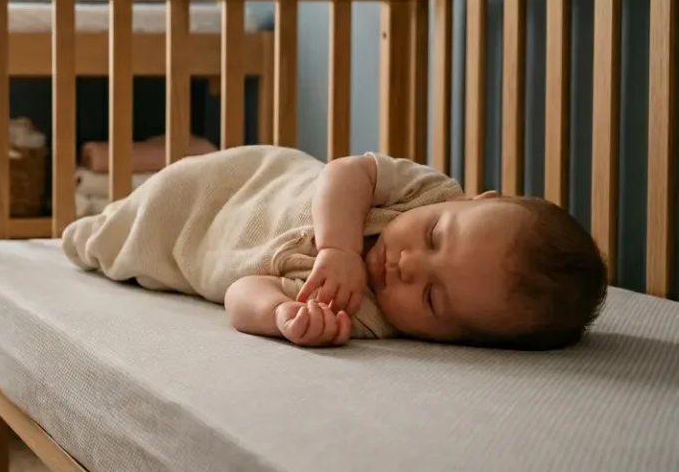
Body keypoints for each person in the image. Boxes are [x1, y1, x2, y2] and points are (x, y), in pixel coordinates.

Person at [60, 146, 607, 350]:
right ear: (472, 199)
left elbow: (241, 291)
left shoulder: (361, 315)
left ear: (455, 340)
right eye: (436, 234)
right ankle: (90, 226)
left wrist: (279, 314)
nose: (409, 264)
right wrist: (341, 248)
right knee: (161, 192)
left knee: (137, 244)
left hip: (203, 240)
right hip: (242, 182)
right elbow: (346, 172)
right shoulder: (426, 189)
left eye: (434, 299)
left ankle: (91, 233)